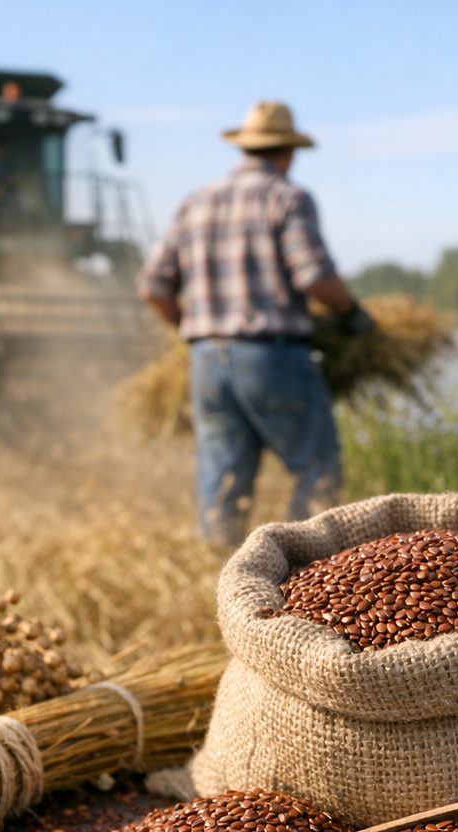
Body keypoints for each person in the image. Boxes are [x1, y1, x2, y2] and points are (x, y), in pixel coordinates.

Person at [137, 100, 375, 547]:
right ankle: (311, 576)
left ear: (245, 149)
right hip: (273, 357)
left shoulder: (197, 201)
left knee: (224, 478)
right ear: (287, 151)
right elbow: (315, 276)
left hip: (206, 360)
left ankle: (222, 573)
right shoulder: (287, 197)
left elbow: (153, 286)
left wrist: (192, 329)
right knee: (317, 470)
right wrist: (350, 313)